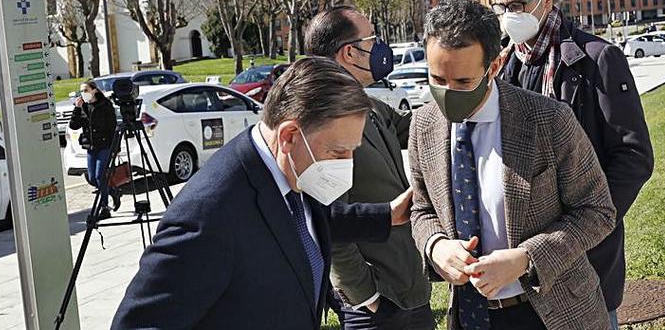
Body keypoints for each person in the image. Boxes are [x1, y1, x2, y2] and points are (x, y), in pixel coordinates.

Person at [113, 57, 414, 330]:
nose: (346, 165)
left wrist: (386, 215)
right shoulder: (209, 214)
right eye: (338, 152)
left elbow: (304, 222)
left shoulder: (292, 170)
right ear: (289, 136)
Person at [410, 0, 616, 330]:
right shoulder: (423, 126)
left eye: (463, 82)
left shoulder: (548, 120)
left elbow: (597, 211)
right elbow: (421, 210)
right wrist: (436, 246)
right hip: (470, 316)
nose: (448, 94)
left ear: (494, 66)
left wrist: (526, 259)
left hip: (551, 313)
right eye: (437, 79)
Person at [493, 0, 654, 330]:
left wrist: (588, 225)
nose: (507, 15)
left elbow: (633, 156)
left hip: (583, 253)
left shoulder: (596, 60)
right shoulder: (501, 65)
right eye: (500, 7)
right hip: (521, 260)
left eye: (516, 5)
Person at [305, 7, 435, 330]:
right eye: (373, 39)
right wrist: (367, 297)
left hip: (409, 290)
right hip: (378, 308)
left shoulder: (369, 107)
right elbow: (329, 224)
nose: (380, 48)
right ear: (349, 52)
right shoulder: (325, 121)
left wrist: (464, 84)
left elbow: (422, 127)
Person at [69, 80, 117, 219]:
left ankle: (104, 208)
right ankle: (112, 191)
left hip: (105, 145)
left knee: (99, 176)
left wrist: (115, 147)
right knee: (92, 178)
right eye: (81, 91)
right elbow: (74, 126)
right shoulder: (83, 107)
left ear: (94, 90)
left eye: (86, 90)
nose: (83, 94)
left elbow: (112, 126)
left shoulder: (105, 105)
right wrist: (77, 109)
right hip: (91, 146)